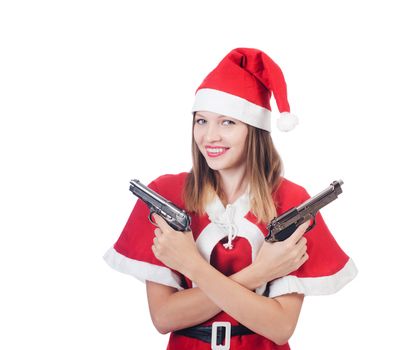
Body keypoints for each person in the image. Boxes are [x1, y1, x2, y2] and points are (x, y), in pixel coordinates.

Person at [104, 48, 357, 349]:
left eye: (227, 123)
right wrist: (259, 273)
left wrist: (192, 267)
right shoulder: (166, 195)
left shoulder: (291, 200)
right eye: (201, 121)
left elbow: (279, 327)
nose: (210, 136)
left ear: (255, 131)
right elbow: (164, 317)